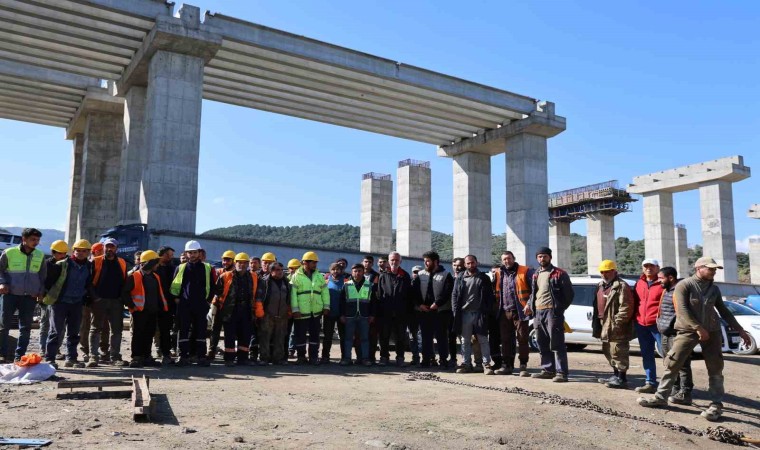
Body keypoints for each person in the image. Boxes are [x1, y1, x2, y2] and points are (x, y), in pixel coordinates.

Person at [638, 257, 752, 421]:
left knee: (715, 368)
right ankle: (660, 397)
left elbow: (724, 311)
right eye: (710, 268)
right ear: (699, 268)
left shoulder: (714, 289)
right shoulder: (684, 285)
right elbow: (683, 310)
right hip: (687, 330)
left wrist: (740, 330)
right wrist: (698, 328)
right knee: (673, 363)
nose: (713, 272)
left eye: (715, 269)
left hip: (711, 331)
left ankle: (716, 405)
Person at [43, 239, 96, 369]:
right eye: (78, 250)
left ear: (88, 252)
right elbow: (49, 281)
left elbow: (88, 283)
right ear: (73, 251)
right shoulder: (63, 264)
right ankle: (50, 358)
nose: (81, 253)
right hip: (60, 302)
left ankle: (71, 358)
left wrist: (90, 297)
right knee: (55, 331)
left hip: (77, 303)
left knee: (74, 332)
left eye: (84, 251)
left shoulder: (89, 266)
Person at [524, 247, 574, 382]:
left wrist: (558, 309)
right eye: (539, 256)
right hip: (538, 313)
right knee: (542, 342)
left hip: (552, 312)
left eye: (544, 256)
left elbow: (569, 295)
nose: (542, 259)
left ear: (550, 257)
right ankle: (547, 370)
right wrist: (529, 304)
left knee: (557, 344)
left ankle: (561, 373)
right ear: (537, 258)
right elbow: (534, 293)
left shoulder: (559, 273)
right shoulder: (536, 274)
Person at [0, 228, 47, 363]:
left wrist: (41, 292)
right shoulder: (9, 252)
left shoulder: (40, 255)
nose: (36, 242)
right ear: (24, 239)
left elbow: (43, 276)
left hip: (29, 297)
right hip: (9, 295)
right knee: (4, 325)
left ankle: (19, 356)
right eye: (33, 239)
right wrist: (2, 283)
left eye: (37, 240)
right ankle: (3, 354)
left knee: (25, 327)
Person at [171, 240, 216, 366]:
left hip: (201, 305)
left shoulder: (207, 268)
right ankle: (183, 356)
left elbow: (212, 286)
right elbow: (174, 285)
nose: (192, 255)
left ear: (199, 253)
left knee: (201, 331)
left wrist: (207, 301)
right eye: (190, 253)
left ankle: (201, 357)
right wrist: (177, 298)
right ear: (186, 253)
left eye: (195, 252)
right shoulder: (181, 268)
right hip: (185, 305)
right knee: (183, 331)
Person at [593, 260, 635, 389]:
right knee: (608, 350)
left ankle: (622, 378)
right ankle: (615, 375)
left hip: (616, 325)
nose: (604, 274)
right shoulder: (600, 285)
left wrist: (618, 322)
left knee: (618, 350)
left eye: (607, 272)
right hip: (603, 322)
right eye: (602, 272)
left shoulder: (621, 286)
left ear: (614, 271)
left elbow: (626, 307)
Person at [123, 250, 169, 368]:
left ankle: (147, 356)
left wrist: (161, 307)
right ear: (150, 263)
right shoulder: (135, 276)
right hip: (140, 311)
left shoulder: (155, 276)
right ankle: (137, 357)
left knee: (149, 334)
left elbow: (159, 293)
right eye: (156, 262)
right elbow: (125, 293)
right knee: (139, 334)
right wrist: (133, 307)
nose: (158, 265)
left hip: (152, 311)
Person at [88, 238, 128, 367]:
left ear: (116, 248)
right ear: (103, 247)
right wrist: (95, 298)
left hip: (116, 301)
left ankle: (115, 356)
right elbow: (89, 282)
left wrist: (121, 298)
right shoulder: (95, 261)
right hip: (100, 301)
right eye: (107, 247)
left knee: (117, 330)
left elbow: (124, 282)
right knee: (95, 329)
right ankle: (93, 357)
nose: (109, 249)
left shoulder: (122, 262)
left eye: (112, 247)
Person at [452, 255, 495, 375]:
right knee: (465, 340)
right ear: (465, 265)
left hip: (480, 313)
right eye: (468, 263)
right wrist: (456, 311)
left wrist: (486, 311)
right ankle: (466, 364)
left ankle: (486, 364)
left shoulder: (483, 278)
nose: (471, 265)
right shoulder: (460, 278)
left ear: (477, 262)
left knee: (483, 339)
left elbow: (489, 297)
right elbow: (454, 295)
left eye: (472, 263)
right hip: (464, 314)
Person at [655, 266, 693, 405]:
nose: (659, 281)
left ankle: (685, 393)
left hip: (677, 334)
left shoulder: (680, 291)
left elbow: (683, 312)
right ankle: (674, 389)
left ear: (671, 278)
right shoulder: (667, 290)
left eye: (661, 278)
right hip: (665, 333)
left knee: (682, 364)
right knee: (669, 363)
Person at [213, 252, 257, 367]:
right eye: (239, 262)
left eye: (244, 263)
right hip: (230, 310)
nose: (241, 265)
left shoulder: (253, 276)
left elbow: (256, 293)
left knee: (245, 335)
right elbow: (217, 293)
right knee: (230, 335)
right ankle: (229, 359)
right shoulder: (225, 276)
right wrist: (213, 309)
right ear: (235, 263)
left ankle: (243, 358)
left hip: (246, 310)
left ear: (248, 264)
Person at [494, 251, 533, 376]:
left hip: (520, 311)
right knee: (505, 339)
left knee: (522, 338)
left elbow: (534, 290)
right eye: (504, 259)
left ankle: (523, 365)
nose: (507, 261)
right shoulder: (499, 273)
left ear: (514, 258)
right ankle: (507, 365)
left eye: (509, 258)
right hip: (504, 311)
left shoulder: (525, 271)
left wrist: (529, 304)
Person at [412, 251, 454, 368]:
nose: (425, 263)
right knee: (426, 337)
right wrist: (420, 304)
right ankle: (426, 360)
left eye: (428, 261)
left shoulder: (446, 274)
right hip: (424, 311)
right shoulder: (420, 275)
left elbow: (448, 291)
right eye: (424, 261)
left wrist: (437, 303)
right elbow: (414, 292)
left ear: (435, 261)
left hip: (440, 312)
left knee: (442, 337)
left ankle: (443, 360)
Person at [290, 251, 329, 365]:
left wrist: (326, 306)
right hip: (301, 312)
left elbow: (324, 292)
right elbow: (293, 295)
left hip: (316, 312)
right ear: (305, 263)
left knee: (315, 336)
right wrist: (295, 310)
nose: (315, 265)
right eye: (313, 262)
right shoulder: (296, 276)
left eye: (315, 263)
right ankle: (301, 357)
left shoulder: (319, 276)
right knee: (300, 336)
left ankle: (313, 357)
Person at [376, 251, 414, 367]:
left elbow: (409, 296)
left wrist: (407, 312)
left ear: (400, 261)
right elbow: (379, 294)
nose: (394, 262)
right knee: (384, 336)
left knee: (400, 337)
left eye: (396, 260)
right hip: (385, 312)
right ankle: (384, 357)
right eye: (392, 260)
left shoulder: (405, 276)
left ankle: (400, 358)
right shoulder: (383, 276)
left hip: (401, 313)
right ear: (389, 261)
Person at [633, 258, 665, 394]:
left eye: (652, 266)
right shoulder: (639, 283)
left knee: (667, 355)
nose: (648, 268)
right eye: (646, 266)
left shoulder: (663, 283)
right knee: (647, 354)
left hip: (658, 325)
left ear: (658, 268)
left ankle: (675, 384)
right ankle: (650, 382)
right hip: (642, 324)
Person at [340, 263, 377, 366]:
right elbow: (342, 302)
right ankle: (347, 358)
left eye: (359, 271)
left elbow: (373, 302)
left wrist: (372, 315)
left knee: (365, 338)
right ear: (352, 272)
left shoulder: (369, 285)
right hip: (349, 316)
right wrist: (342, 315)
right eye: (355, 271)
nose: (357, 273)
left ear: (363, 272)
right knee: (348, 338)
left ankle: (365, 359)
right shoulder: (346, 285)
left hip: (364, 316)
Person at [256, 262, 290, 365]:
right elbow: (259, 297)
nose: (280, 272)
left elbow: (289, 298)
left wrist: (288, 311)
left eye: (281, 270)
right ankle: (264, 358)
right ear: (271, 271)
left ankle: (278, 359)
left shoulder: (286, 282)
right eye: (277, 270)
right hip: (267, 314)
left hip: (282, 315)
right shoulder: (264, 281)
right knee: (265, 337)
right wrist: (260, 312)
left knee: (280, 337)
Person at [40, 240, 69, 359]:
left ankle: (55, 349)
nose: (62, 255)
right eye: (59, 253)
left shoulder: (68, 264)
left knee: (60, 327)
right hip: (46, 298)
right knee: (45, 324)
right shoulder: (46, 265)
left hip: (61, 300)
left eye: (64, 253)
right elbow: (41, 281)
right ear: (53, 252)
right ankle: (43, 349)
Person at [79, 241, 105, 362]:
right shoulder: (88, 264)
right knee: (85, 325)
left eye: (102, 251)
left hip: (99, 299)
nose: (101, 253)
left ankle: (103, 350)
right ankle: (85, 350)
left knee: (101, 325)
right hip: (86, 299)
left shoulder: (104, 264)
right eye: (98, 251)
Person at [208, 250, 235, 360]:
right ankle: (211, 351)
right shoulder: (219, 272)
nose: (225, 262)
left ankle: (229, 355)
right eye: (224, 260)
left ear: (233, 261)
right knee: (215, 330)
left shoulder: (235, 274)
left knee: (229, 331)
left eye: (228, 260)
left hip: (230, 307)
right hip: (218, 305)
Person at [154, 246, 176, 364]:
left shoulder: (172, 269)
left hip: (167, 305)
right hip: (153, 304)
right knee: (149, 330)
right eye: (169, 255)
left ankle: (166, 354)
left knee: (165, 331)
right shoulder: (154, 268)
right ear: (162, 255)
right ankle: (145, 356)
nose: (171, 257)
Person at [322, 262, 346, 363]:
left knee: (343, 337)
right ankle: (325, 356)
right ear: (330, 270)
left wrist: (344, 314)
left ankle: (345, 357)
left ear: (341, 270)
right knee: (327, 336)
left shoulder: (346, 282)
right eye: (333, 269)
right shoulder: (326, 282)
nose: (335, 271)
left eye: (338, 269)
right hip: (329, 313)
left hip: (342, 314)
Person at [286, 258, 300, 358]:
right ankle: (285, 350)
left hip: (298, 309)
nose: (293, 270)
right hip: (287, 310)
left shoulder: (301, 280)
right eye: (291, 268)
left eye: (296, 268)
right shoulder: (285, 279)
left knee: (295, 332)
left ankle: (291, 350)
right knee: (286, 331)